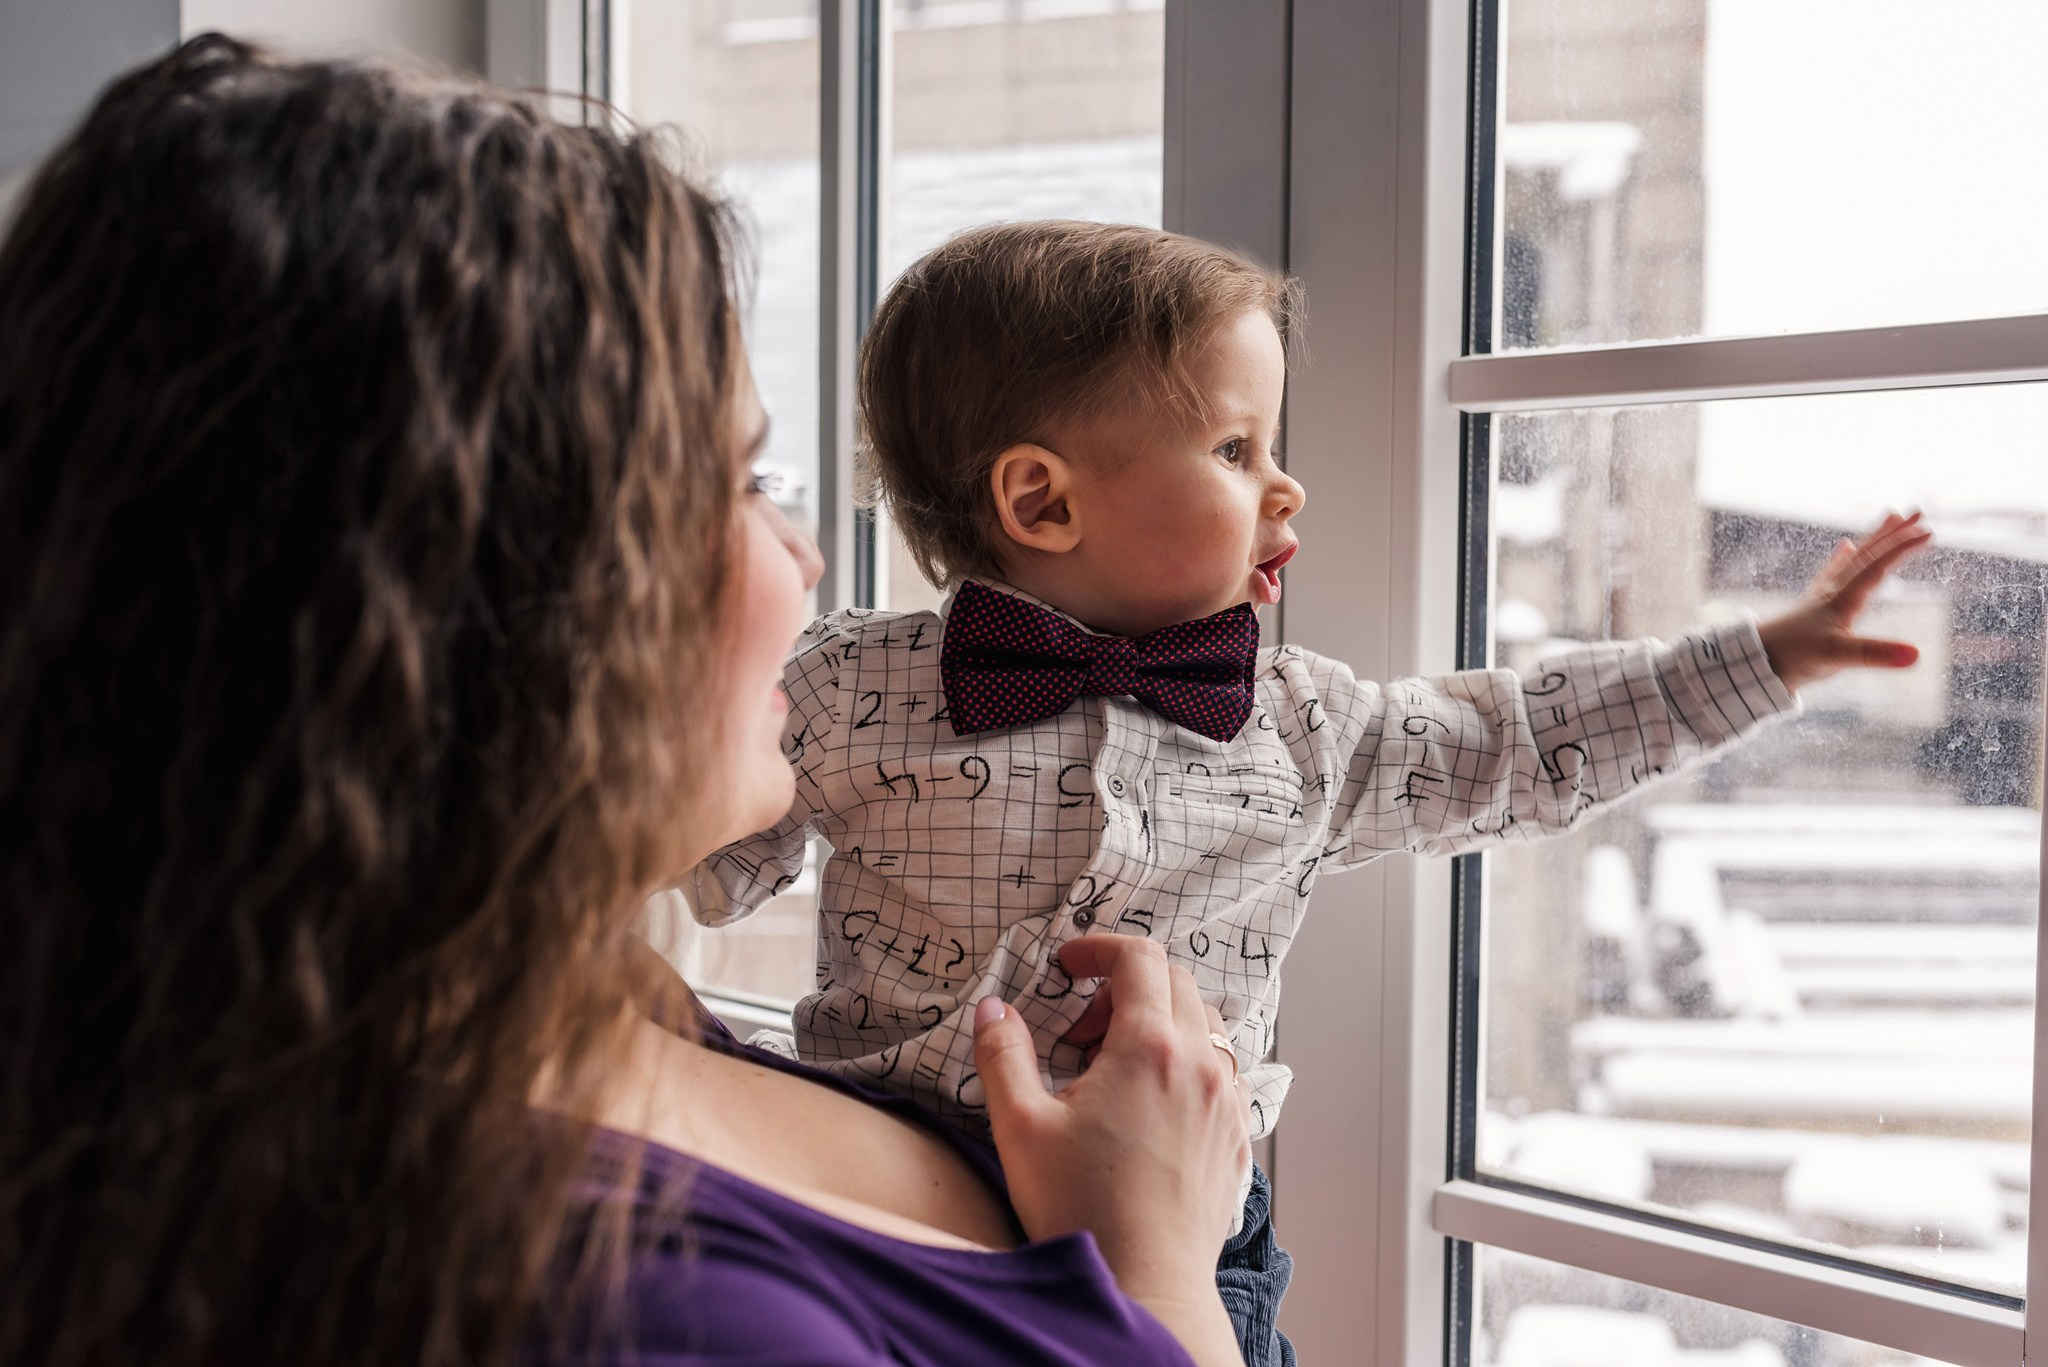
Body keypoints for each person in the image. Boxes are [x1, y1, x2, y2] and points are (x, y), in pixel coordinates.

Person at [0, 36, 1255, 1367]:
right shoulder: (665, 1320)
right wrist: (1161, 1272)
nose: (805, 559)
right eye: (734, 484)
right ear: (502, 600)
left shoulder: (532, 1001)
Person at [688, 220, 1935, 1365]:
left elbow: (1514, 741)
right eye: (1235, 449)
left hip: (1187, 1227)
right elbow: (685, 834)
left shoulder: (1305, 727)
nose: (1285, 489)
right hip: (878, 1176)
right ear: (1040, 500)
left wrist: (1759, 657)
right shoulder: (849, 687)